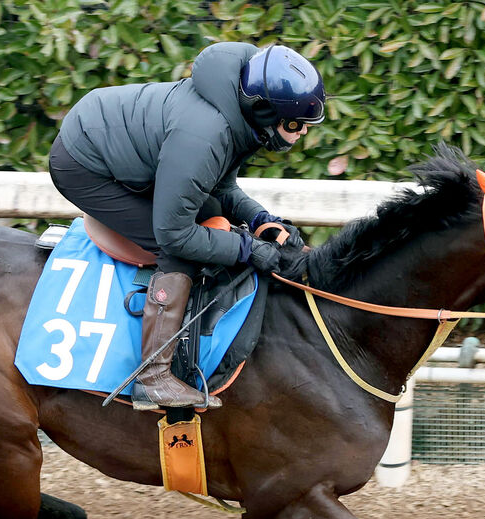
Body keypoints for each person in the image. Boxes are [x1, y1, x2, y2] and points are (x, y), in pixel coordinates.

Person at [49, 42, 325, 410]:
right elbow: (175, 234)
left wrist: (261, 220)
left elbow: (220, 185)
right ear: (263, 112)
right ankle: (154, 376)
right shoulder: (206, 133)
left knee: (209, 215)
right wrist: (248, 249)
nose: (303, 133)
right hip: (83, 164)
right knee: (178, 252)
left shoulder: (235, 110)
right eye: (295, 124)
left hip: (119, 141)